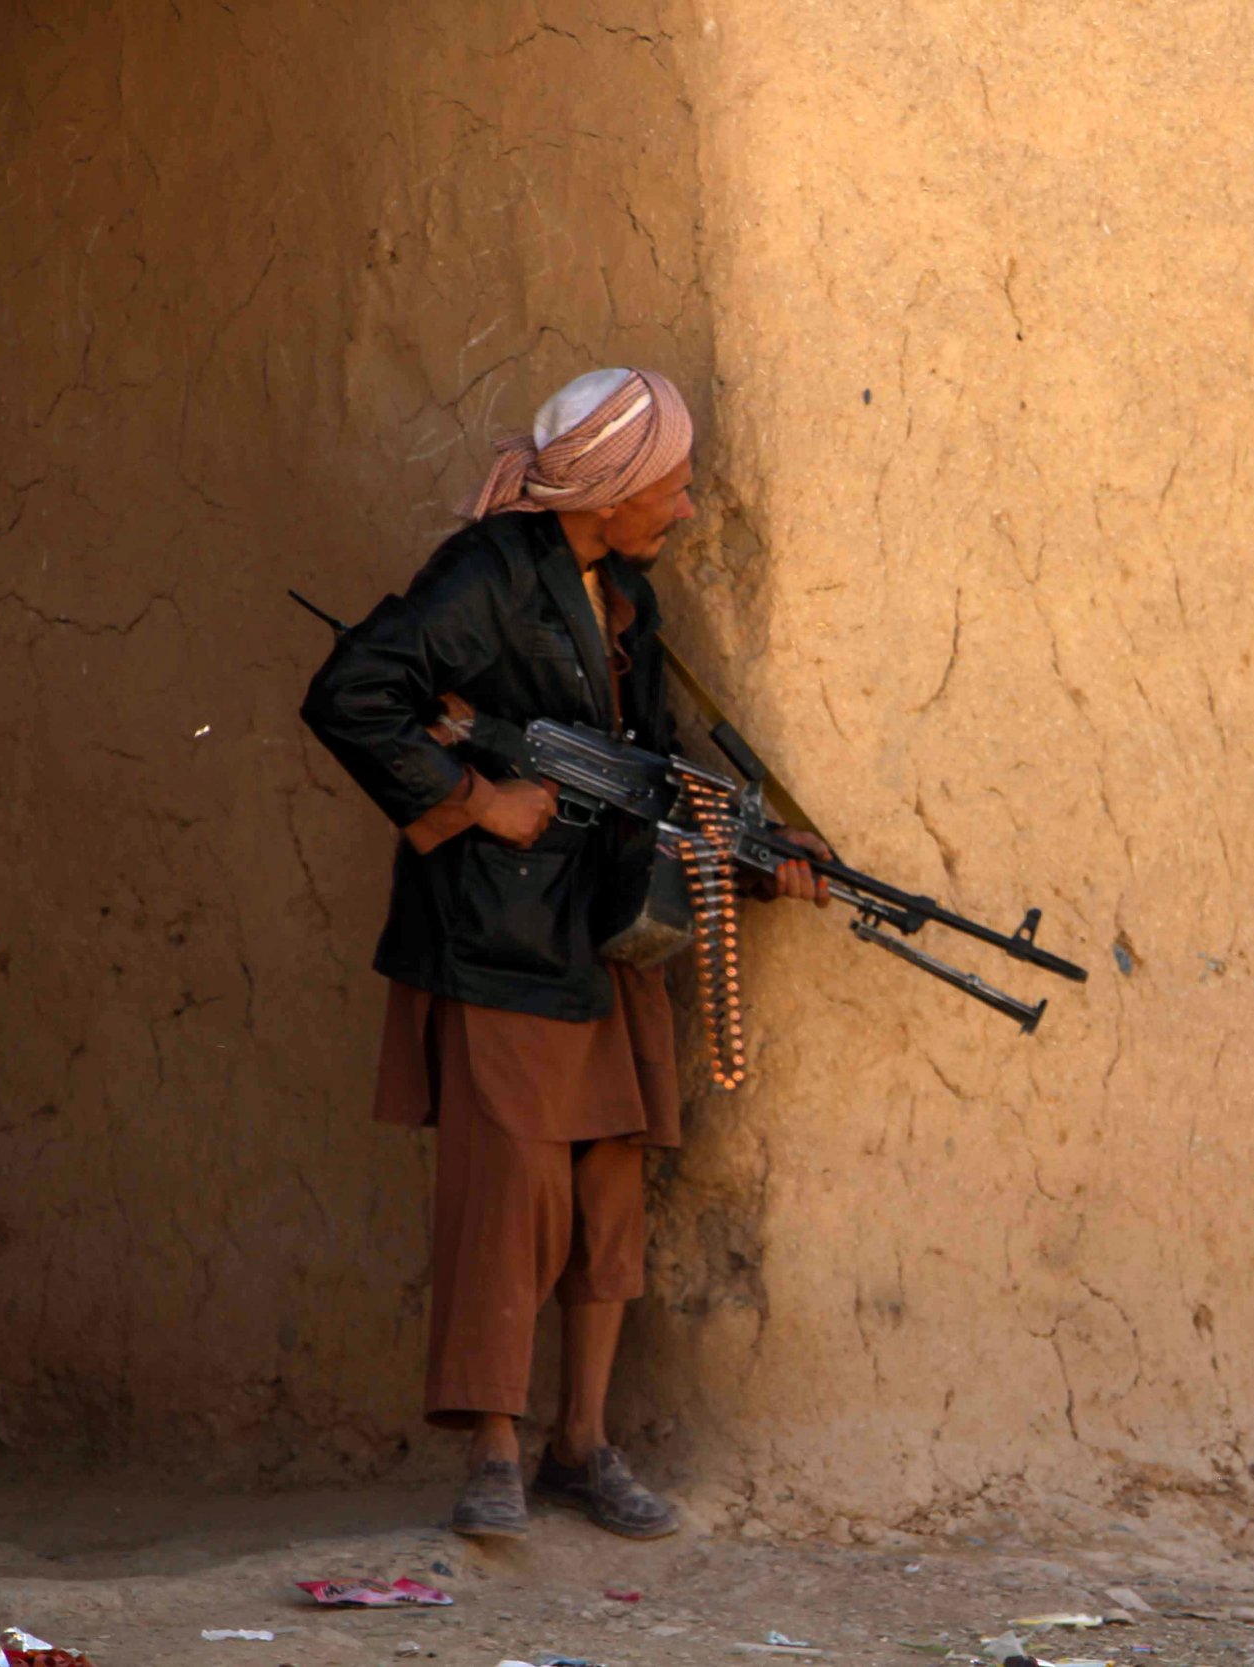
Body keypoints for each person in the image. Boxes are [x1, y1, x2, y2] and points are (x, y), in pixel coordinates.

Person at [300, 369, 827, 1540]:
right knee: (509, 1195)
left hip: (601, 931)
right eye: (673, 488)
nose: (687, 509)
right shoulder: (485, 576)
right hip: (497, 938)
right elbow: (353, 693)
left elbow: (653, 763)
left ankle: (581, 1443)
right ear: (607, 489)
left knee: (606, 1191)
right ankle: (492, 1449)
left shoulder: (624, 595)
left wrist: (756, 846)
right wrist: (479, 801)